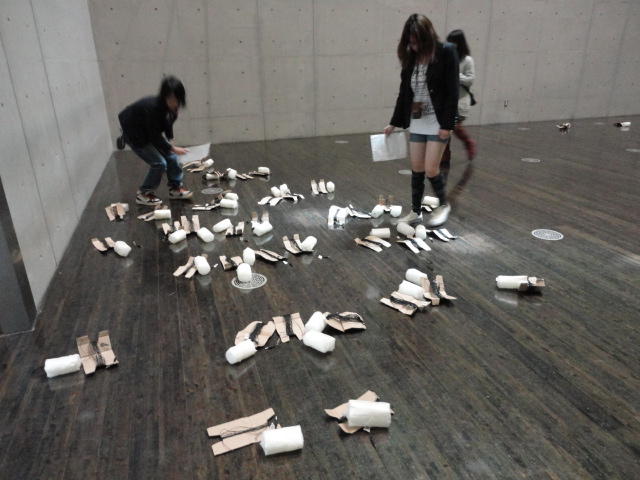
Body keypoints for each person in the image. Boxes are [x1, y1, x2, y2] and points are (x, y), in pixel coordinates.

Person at [384, 14, 459, 226]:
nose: (414, 46)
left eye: (417, 41)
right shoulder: (411, 58)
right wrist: (394, 122)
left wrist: (447, 125)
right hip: (417, 121)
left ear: (427, 37)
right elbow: (404, 93)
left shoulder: (446, 52)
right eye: (410, 41)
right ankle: (416, 211)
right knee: (417, 168)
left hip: (438, 122)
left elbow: (453, 92)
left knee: (431, 169)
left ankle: (443, 205)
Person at [118, 75, 193, 206]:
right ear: (164, 96)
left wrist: (170, 143)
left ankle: (175, 189)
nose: (175, 103)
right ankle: (143, 194)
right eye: (171, 99)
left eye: (177, 99)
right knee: (159, 163)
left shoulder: (173, 108)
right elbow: (154, 136)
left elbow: (167, 125)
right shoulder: (152, 108)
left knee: (172, 157)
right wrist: (172, 148)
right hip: (134, 134)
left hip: (147, 131)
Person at [441, 29, 477, 182]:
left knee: (454, 126)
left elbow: (470, 79)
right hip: (446, 100)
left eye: (453, 42)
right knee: (445, 131)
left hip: (460, 101)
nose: (450, 44)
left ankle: (468, 142)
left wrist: (455, 74)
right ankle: (444, 159)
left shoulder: (467, 60)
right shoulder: (446, 56)